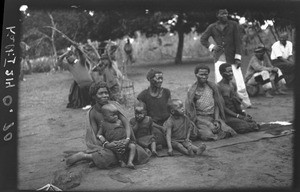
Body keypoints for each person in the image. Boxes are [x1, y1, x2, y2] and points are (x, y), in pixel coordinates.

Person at [66, 82, 150, 168]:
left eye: (106, 93)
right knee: (109, 156)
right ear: (94, 96)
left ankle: (97, 159)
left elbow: (127, 125)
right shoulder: (93, 113)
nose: (105, 95)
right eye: (100, 93)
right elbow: (96, 136)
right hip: (107, 144)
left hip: (123, 139)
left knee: (139, 152)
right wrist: (108, 145)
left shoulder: (114, 106)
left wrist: (127, 139)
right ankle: (85, 156)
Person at [200, 9, 252, 108]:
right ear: (217, 15)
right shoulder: (212, 27)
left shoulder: (233, 25)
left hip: (232, 56)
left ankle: (245, 103)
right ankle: (223, 104)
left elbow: (238, 41)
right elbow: (203, 39)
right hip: (219, 57)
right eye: (222, 14)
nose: (225, 16)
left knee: (239, 81)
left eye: (226, 14)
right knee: (220, 81)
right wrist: (212, 47)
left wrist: (238, 57)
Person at [185, 64, 237, 141]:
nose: (204, 77)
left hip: (212, 117)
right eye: (201, 74)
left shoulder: (212, 87)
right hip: (200, 119)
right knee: (208, 135)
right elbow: (191, 113)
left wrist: (216, 119)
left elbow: (216, 105)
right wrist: (208, 123)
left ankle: (216, 129)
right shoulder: (192, 91)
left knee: (229, 131)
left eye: (206, 74)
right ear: (196, 75)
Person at [218, 63, 260, 133]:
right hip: (226, 116)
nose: (231, 73)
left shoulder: (233, 85)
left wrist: (243, 114)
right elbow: (223, 108)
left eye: (231, 71)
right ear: (222, 73)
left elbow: (237, 102)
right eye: (228, 72)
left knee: (252, 122)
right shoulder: (219, 87)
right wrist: (238, 116)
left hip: (235, 114)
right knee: (246, 126)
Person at [137, 68, 171, 147]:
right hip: (154, 125)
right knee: (157, 136)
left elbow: (171, 110)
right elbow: (142, 117)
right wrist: (160, 127)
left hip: (168, 123)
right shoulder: (143, 96)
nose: (160, 81)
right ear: (149, 79)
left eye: (161, 78)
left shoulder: (166, 92)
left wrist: (168, 124)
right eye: (158, 78)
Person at [98, 103, 137, 169]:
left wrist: (127, 139)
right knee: (116, 150)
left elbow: (127, 128)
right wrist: (105, 142)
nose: (116, 116)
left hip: (124, 141)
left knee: (133, 146)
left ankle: (130, 162)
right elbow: (99, 134)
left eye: (116, 114)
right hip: (114, 143)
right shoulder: (103, 124)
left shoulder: (120, 121)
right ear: (105, 116)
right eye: (112, 115)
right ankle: (121, 161)